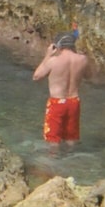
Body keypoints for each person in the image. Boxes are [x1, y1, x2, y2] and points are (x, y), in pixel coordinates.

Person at [32, 28, 90, 157]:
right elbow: (90, 76)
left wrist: (47, 55)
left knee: (53, 138)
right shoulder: (83, 60)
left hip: (57, 102)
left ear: (57, 45)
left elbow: (36, 76)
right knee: (71, 136)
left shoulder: (53, 61)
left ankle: (53, 161)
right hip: (74, 102)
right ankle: (71, 158)